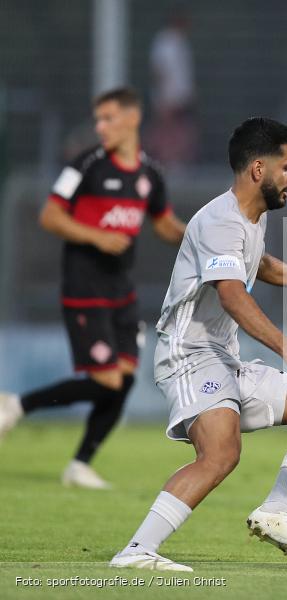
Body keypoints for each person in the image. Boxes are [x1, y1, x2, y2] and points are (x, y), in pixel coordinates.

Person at [108, 117, 287, 572]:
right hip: (188, 358)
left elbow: (258, 262)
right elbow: (232, 294)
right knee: (222, 453)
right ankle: (136, 552)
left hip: (224, 360)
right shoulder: (219, 221)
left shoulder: (251, 217)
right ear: (258, 169)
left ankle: (277, 510)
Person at [0, 87, 186, 489]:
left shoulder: (149, 174)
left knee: (124, 378)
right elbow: (50, 216)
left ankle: (80, 464)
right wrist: (96, 237)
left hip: (122, 290)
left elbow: (166, 225)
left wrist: (201, 238)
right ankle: (16, 404)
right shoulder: (85, 165)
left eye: (108, 118)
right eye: (98, 119)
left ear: (132, 119)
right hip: (84, 286)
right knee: (105, 381)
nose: (100, 127)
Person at [146, 7, 198, 166]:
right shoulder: (165, 42)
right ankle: (164, 162)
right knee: (167, 134)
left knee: (181, 133)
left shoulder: (181, 42)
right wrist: (163, 98)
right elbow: (159, 71)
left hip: (180, 98)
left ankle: (174, 163)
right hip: (169, 99)